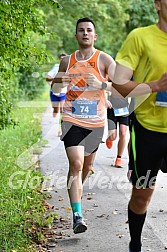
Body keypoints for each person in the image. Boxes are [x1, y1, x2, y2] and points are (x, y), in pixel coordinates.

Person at [51, 17, 116, 234]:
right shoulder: (67, 61)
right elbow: (56, 88)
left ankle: (76, 192)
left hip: (95, 123)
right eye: (81, 30)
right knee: (77, 164)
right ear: (76, 35)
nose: (85, 33)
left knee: (86, 167)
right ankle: (77, 215)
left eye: (89, 30)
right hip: (71, 120)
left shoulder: (105, 60)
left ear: (95, 36)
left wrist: (101, 85)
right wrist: (62, 79)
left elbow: (122, 87)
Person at [112, 1, 167, 251]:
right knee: (142, 195)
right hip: (147, 129)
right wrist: (155, 86)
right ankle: (136, 244)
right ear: (157, 4)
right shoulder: (140, 37)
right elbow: (119, 83)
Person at [105, 95, 130, 168]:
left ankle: (119, 158)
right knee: (113, 137)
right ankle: (109, 138)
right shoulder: (111, 82)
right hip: (112, 108)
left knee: (123, 133)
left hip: (124, 109)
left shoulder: (129, 82)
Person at [46, 53, 67, 136]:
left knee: (62, 111)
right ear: (59, 59)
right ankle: (55, 114)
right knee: (56, 110)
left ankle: (60, 129)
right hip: (54, 92)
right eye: (61, 58)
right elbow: (47, 77)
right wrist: (54, 82)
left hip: (63, 93)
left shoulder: (69, 68)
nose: (62, 60)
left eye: (64, 58)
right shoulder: (56, 67)